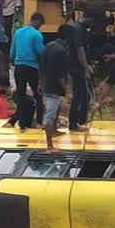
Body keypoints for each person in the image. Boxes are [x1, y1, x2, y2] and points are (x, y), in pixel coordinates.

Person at [10, 13, 45, 130]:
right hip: (32, 66)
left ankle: (22, 123)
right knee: (38, 95)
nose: (40, 27)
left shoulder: (18, 32)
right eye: (40, 25)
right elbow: (41, 52)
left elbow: (12, 52)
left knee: (21, 94)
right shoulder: (37, 34)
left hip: (19, 66)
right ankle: (39, 121)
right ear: (37, 21)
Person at [42, 24, 73, 152]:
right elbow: (60, 75)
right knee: (50, 115)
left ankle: (54, 131)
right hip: (54, 88)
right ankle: (49, 146)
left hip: (47, 84)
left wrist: (40, 82)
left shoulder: (48, 46)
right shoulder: (61, 51)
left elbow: (41, 66)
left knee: (55, 111)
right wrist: (67, 91)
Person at [68, 16, 93, 132]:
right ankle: (73, 123)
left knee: (84, 94)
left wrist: (88, 64)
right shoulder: (78, 29)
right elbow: (80, 49)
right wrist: (85, 68)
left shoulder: (80, 28)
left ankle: (82, 120)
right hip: (77, 67)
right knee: (78, 94)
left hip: (78, 66)